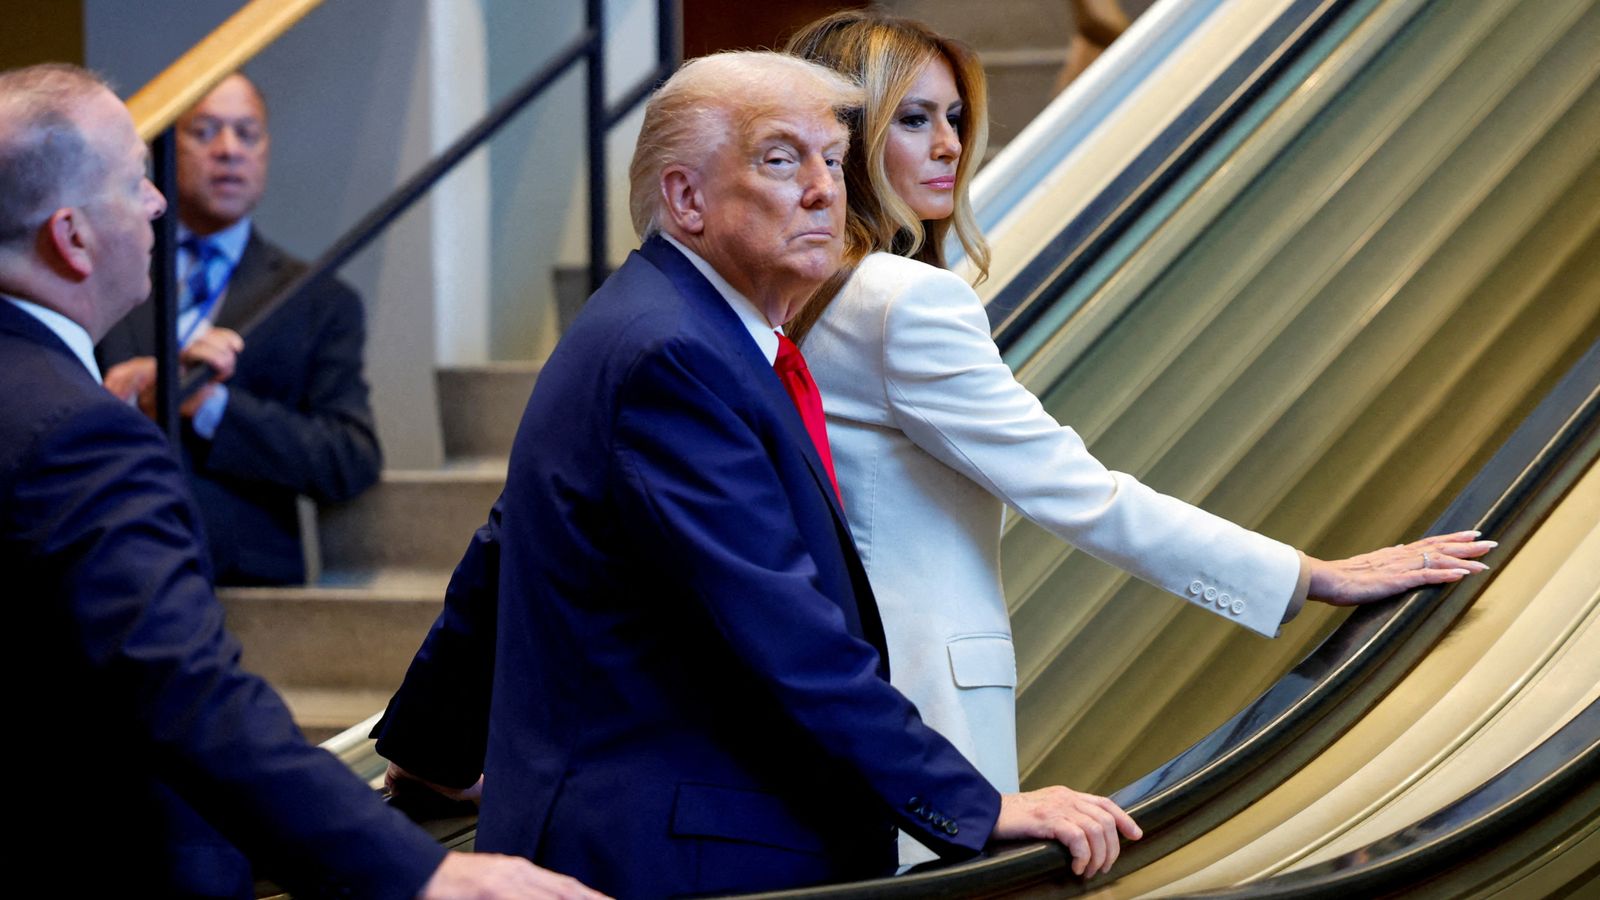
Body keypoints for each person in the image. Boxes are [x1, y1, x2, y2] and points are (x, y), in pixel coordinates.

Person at [370, 51, 1143, 898]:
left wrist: (430, 748)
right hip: (683, 860)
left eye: (833, 161)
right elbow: (784, 629)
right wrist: (976, 805)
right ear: (685, 199)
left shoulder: (664, 324)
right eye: (781, 160)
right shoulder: (672, 354)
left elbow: (508, 546)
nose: (824, 190)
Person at [784, 9, 1496, 866]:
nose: (949, 146)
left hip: (844, 694)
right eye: (913, 118)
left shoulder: (797, 292)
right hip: (924, 694)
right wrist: (1308, 575)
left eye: (956, 118)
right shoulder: (904, 300)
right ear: (846, 135)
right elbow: (1077, 492)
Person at [0, 63, 605, 900]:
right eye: (136, 180)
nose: (157, 203)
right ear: (70, 237)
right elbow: (190, 703)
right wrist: (424, 872)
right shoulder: (79, 432)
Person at [98, 71, 379, 586]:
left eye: (247, 133)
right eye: (204, 131)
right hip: (107, 565)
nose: (228, 150)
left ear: (266, 150)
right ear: (163, 147)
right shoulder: (100, 268)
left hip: (247, 584)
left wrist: (210, 405)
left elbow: (349, 457)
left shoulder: (318, 299)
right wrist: (129, 393)